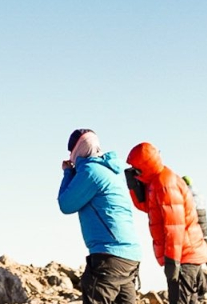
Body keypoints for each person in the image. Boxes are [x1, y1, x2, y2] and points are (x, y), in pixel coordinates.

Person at [57, 129, 144, 304]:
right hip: (130, 255)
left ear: (77, 150)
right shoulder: (114, 170)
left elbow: (66, 204)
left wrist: (67, 173)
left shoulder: (91, 171)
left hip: (110, 255)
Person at [125, 142, 207, 304]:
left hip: (184, 255)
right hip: (183, 254)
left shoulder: (166, 184)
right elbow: (149, 208)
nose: (134, 171)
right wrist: (134, 188)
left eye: (136, 168)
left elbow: (174, 226)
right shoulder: (155, 181)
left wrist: (172, 261)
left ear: (146, 165)